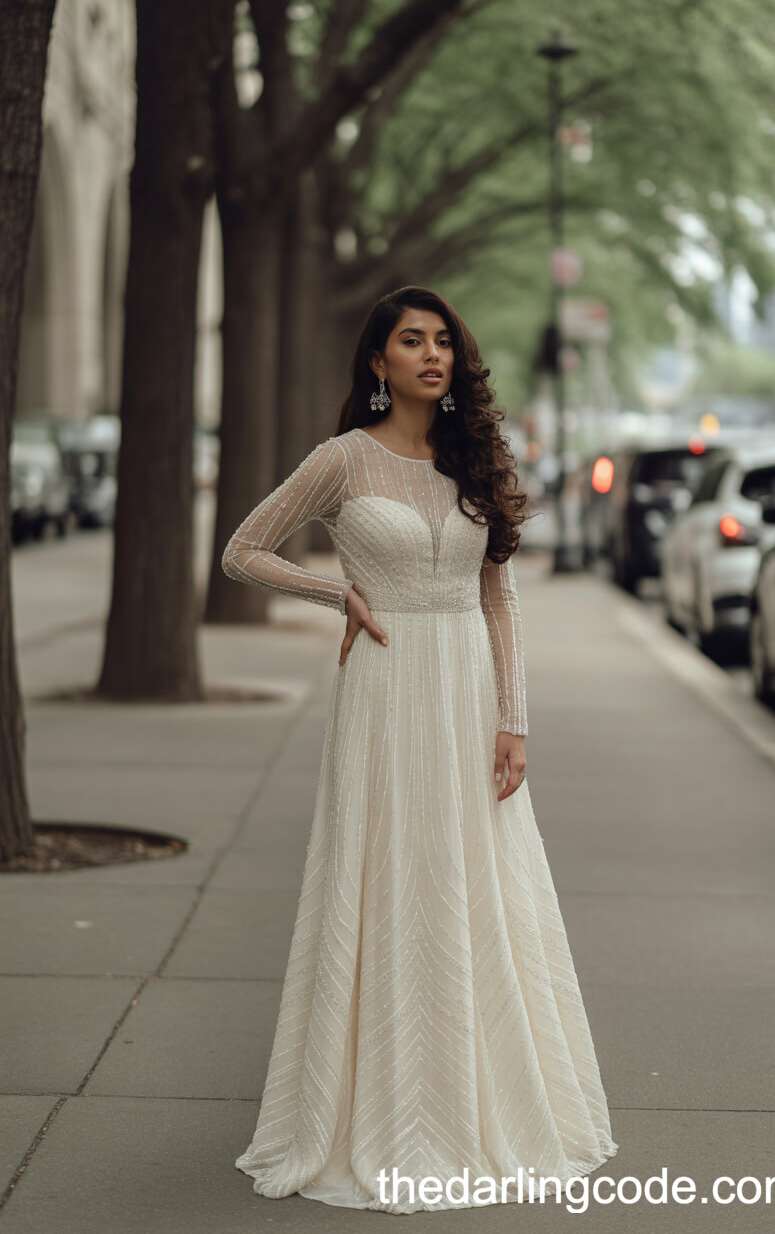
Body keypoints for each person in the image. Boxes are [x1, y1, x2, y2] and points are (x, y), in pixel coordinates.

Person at [222, 285, 617, 1214]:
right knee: (390, 879)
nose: (432, 355)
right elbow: (244, 550)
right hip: (388, 689)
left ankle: (484, 1095)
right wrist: (339, 597)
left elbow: (500, 598)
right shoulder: (342, 461)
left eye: (443, 341)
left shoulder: (473, 456)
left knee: (477, 880)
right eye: (411, 340)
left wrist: (514, 717)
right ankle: (380, 1106)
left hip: (468, 689)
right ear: (378, 362)